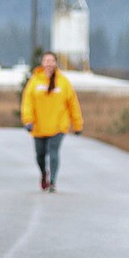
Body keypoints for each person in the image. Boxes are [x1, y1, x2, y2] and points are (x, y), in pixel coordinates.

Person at [20, 52, 83, 193]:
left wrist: (77, 124)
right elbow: (28, 102)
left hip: (58, 125)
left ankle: (53, 180)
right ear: (42, 63)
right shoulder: (35, 81)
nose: (49, 64)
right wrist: (28, 120)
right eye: (46, 61)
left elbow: (73, 104)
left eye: (51, 61)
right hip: (39, 125)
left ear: (56, 63)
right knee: (40, 154)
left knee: (53, 152)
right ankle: (44, 173)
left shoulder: (63, 82)